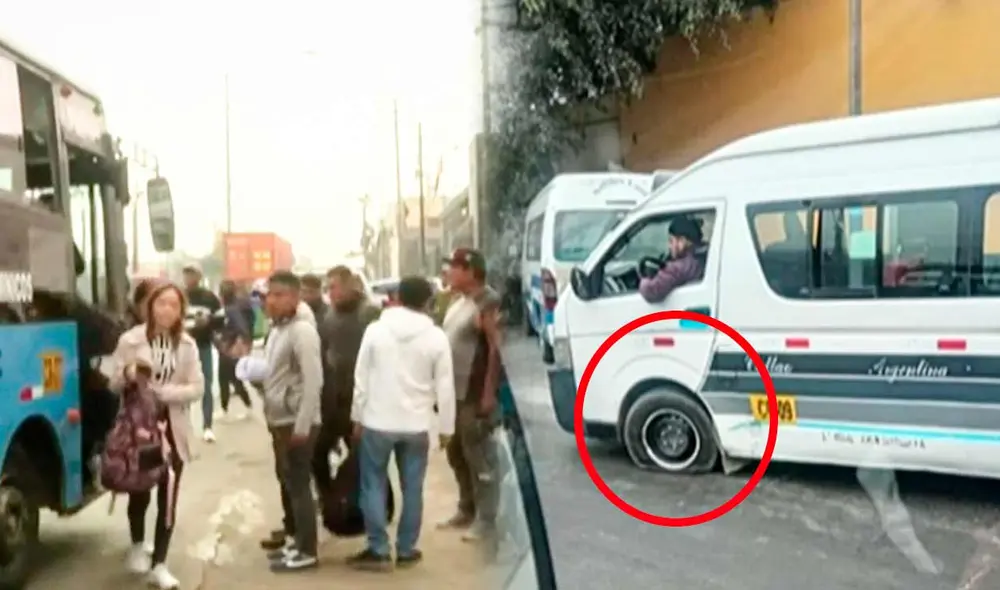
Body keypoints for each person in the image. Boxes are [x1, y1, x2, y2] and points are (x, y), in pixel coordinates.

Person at [348, 276, 455, 570]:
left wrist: (358, 416)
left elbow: (361, 378)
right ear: (427, 302)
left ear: (396, 297)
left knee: (373, 484)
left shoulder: (376, 331)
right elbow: (445, 387)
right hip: (417, 425)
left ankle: (378, 549)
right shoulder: (436, 337)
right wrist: (447, 428)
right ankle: (407, 550)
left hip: (377, 421)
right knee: (413, 488)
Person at [109, 282, 204, 590]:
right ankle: (138, 543)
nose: (167, 310)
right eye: (161, 303)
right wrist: (127, 375)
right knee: (140, 489)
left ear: (181, 311)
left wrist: (164, 393)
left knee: (169, 494)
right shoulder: (130, 340)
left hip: (172, 429)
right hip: (140, 430)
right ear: (150, 306)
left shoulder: (187, 345)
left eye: (174, 305)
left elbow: (197, 387)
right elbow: (112, 381)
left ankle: (160, 563)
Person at [232, 271, 323, 572]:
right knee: (289, 483)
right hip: (279, 418)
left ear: (295, 298)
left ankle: (307, 550)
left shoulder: (303, 332)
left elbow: (313, 381)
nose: (271, 300)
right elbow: (276, 374)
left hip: (296, 421)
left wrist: (303, 425)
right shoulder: (278, 330)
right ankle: (296, 542)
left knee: (299, 486)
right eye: (269, 294)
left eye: (279, 294)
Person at [438, 248, 504, 545]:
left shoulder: (486, 302)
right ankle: (467, 508)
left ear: (470, 271)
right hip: (453, 394)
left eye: (454, 267)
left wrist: (489, 392)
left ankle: (486, 520)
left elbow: (495, 348)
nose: (448, 273)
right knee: (455, 452)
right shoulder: (458, 302)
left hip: (474, 393)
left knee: (479, 457)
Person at [315, 265, 381, 479]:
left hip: (361, 400)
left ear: (350, 285)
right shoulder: (330, 315)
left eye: (334, 287)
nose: (330, 293)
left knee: (365, 460)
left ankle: (377, 507)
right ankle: (330, 501)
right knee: (318, 453)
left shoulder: (368, 312)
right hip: (334, 399)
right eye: (328, 288)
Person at [182, 263, 222, 442]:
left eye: (191, 274)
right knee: (183, 387)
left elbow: (221, 320)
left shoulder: (210, 298)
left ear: (199, 276)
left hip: (203, 346)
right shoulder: (178, 296)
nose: (188, 278)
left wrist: (208, 322)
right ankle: (184, 427)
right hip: (182, 348)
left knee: (206, 384)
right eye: (186, 274)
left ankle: (207, 426)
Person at [638, 216, 704, 303]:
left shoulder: (678, 267)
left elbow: (651, 291)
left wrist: (644, 279)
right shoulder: (701, 255)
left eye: (671, 241)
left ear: (682, 241)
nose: (669, 246)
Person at [216, 280, 253, 421]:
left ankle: (240, 407)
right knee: (229, 378)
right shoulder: (236, 305)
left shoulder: (231, 309)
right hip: (229, 346)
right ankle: (235, 407)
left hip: (229, 347)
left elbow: (241, 327)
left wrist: (234, 342)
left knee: (228, 378)